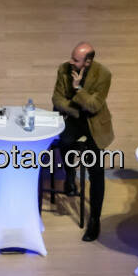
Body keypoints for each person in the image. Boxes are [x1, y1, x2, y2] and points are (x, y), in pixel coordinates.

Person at [51, 42, 115, 241]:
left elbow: (95, 106)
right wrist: (76, 110)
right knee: (64, 140)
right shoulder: (63, 69)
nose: (71, 62)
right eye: (72, 57)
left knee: (96, 171)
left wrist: (78, 89)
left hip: (94, 123)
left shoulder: (103, 74)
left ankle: (95, 219)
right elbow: (57, 99)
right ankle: (70, 175)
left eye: (76, 60)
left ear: (88, 62)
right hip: (73, 116)